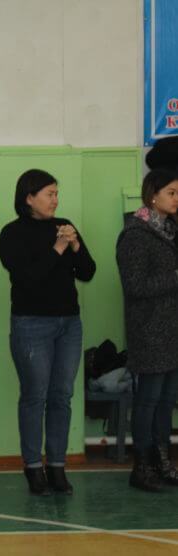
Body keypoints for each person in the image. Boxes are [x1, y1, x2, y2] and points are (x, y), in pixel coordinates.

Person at [0, 169, 96, 496]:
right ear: (29, 198)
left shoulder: (64, 225)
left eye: (56, 194)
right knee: (34, 395)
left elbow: (88, 272)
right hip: (31, 324)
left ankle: (57, 465)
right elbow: (29, 278)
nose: (55, 200)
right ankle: (32, 467)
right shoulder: (12, 234)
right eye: (49, 194)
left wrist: (75, 245)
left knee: (61, 395)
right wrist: (58, 247)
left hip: (69, 324)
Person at [116, 168, 178, 492]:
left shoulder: (171, 230)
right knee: (148, 401)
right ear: (153, 195)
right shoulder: (135, 234)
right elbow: (135, 285)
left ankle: (163, 462)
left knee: (167, 401)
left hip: (172, 331)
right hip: (149, 332)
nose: (177, 199)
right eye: (172, 192)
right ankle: (142, 466)